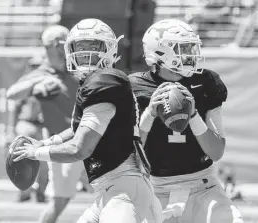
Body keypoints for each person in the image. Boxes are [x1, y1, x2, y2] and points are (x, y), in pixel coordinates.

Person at [10, 18, 163, 223]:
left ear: (109, 49)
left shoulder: (103, 82)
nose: (86, 54)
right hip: (112, 190)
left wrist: (36, 153)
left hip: (122, 191)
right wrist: (46, 142)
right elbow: (78, 128)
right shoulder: (98, 81)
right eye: (80, 48)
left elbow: (79, 150)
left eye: (94, 47)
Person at [129, 19, 243, 223]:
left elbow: (216, 152)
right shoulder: (135, 87)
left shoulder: (206, 82)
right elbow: (132, 157)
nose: (191, 54)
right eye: (183, 48)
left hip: (203, 185)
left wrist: (193, 115)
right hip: (155, 188)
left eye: (192, 47)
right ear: (160, 52)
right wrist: (148, 115)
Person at [6, 25, 85, 223]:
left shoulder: (76, 70)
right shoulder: (41, 73)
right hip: (62, 144)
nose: (66, 48)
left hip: (89, 136)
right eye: (62, 43)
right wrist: (38, 81)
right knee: (60, 200)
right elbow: (12, 94)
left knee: (114, 190)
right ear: (52, 46)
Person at [14, 97, 48, 202]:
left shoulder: (50, 84)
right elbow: (16, 105)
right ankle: (25, 193)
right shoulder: (26, 85)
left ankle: (41, 193)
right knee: (25, 161)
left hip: (42, 127)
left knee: (44, 162)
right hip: (26, 124)